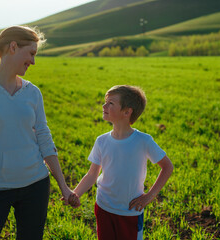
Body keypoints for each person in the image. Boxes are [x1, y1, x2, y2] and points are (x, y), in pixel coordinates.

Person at [0, 25, 76, 240]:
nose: (33, 61)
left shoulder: (32, 92)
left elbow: (44, 138)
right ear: (13, 47)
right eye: (31, 53)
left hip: (36, 185)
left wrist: (64, 186)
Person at [69, 85, 174, 240]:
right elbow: (92, 174)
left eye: (110, 103)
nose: (104, 106)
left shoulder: (143, 141)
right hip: (103, 207)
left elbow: (167, 167)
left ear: (127, 112)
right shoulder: (102, 141)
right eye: (105, 102)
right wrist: (76, 193)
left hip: (130, 212)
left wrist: (149, 196)